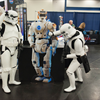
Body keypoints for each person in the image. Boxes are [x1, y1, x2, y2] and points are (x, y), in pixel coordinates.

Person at [49, 23, 90, 92]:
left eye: (64, 34)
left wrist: (67, 56)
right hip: (76, 52)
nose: (63, 35)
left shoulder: (77, 41)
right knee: (76, 67)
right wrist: (53, 34)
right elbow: (61, 31)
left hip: (79, 56)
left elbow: (78, 55)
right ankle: (80, 79)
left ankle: (72, 86)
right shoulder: (76, 32)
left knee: (69, 71)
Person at [28, 9, 58, 83]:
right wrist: (31, 42)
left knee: (46, 62)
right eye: (41, 15)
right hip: (36, 43)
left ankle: (47, 76)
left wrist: (54, 47)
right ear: (38, 15)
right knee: (34, 61)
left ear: (46, 16)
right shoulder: (33, 24)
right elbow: (30, 34)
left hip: (46, 43)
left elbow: (54, 36)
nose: (42, 17)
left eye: (43, 15)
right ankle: (40, 75)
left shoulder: (49, 24)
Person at [0, 10, 23, 93]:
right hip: (6, 47)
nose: (14, 19)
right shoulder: (3, 25)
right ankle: (4, 85)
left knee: (14, 66)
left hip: (15, 47)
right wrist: (3, 14)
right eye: (12, 16)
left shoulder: (17, 26)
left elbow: (20, 35)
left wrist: (21, 40)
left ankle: (12, 80)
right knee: (6, 68)